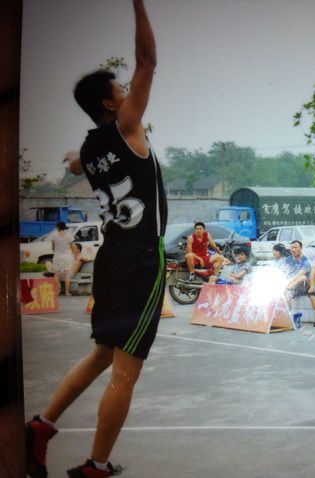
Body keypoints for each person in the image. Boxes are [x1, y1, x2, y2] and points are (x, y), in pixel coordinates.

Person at [26, 2, 166, 477]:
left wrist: (71, 158)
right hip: (142, 258)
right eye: (121, 90)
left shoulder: (89, 150)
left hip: (110, 257)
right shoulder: (128, 129)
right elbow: (147, 60)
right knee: (126, 372)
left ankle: (41, 425)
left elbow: (72, 162)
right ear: (111, 105)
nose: (129, 93)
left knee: (103, 353)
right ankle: (97, 466)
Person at [281, 240, 312, 308]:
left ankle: (288, 288)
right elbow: (282, 272)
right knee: (287, 296)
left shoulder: (306, 260)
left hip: (303, 285)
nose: (293, 249)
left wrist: (287, 285)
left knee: (303, 277)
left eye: (295, 247)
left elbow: (299, 275)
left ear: (301, 248)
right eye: (292, 248)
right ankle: (288, 314)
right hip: (291, 286)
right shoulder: (288, 259)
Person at [50, 221, 74, 296]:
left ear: (58, 227)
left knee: (57, 274)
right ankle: (67, 292)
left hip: (57, 256)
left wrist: (56, 252)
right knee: (67, 275)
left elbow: (53, 247)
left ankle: (56, 292)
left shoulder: (54, 235)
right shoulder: (69, 235)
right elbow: (72, 246)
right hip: (67, 257)